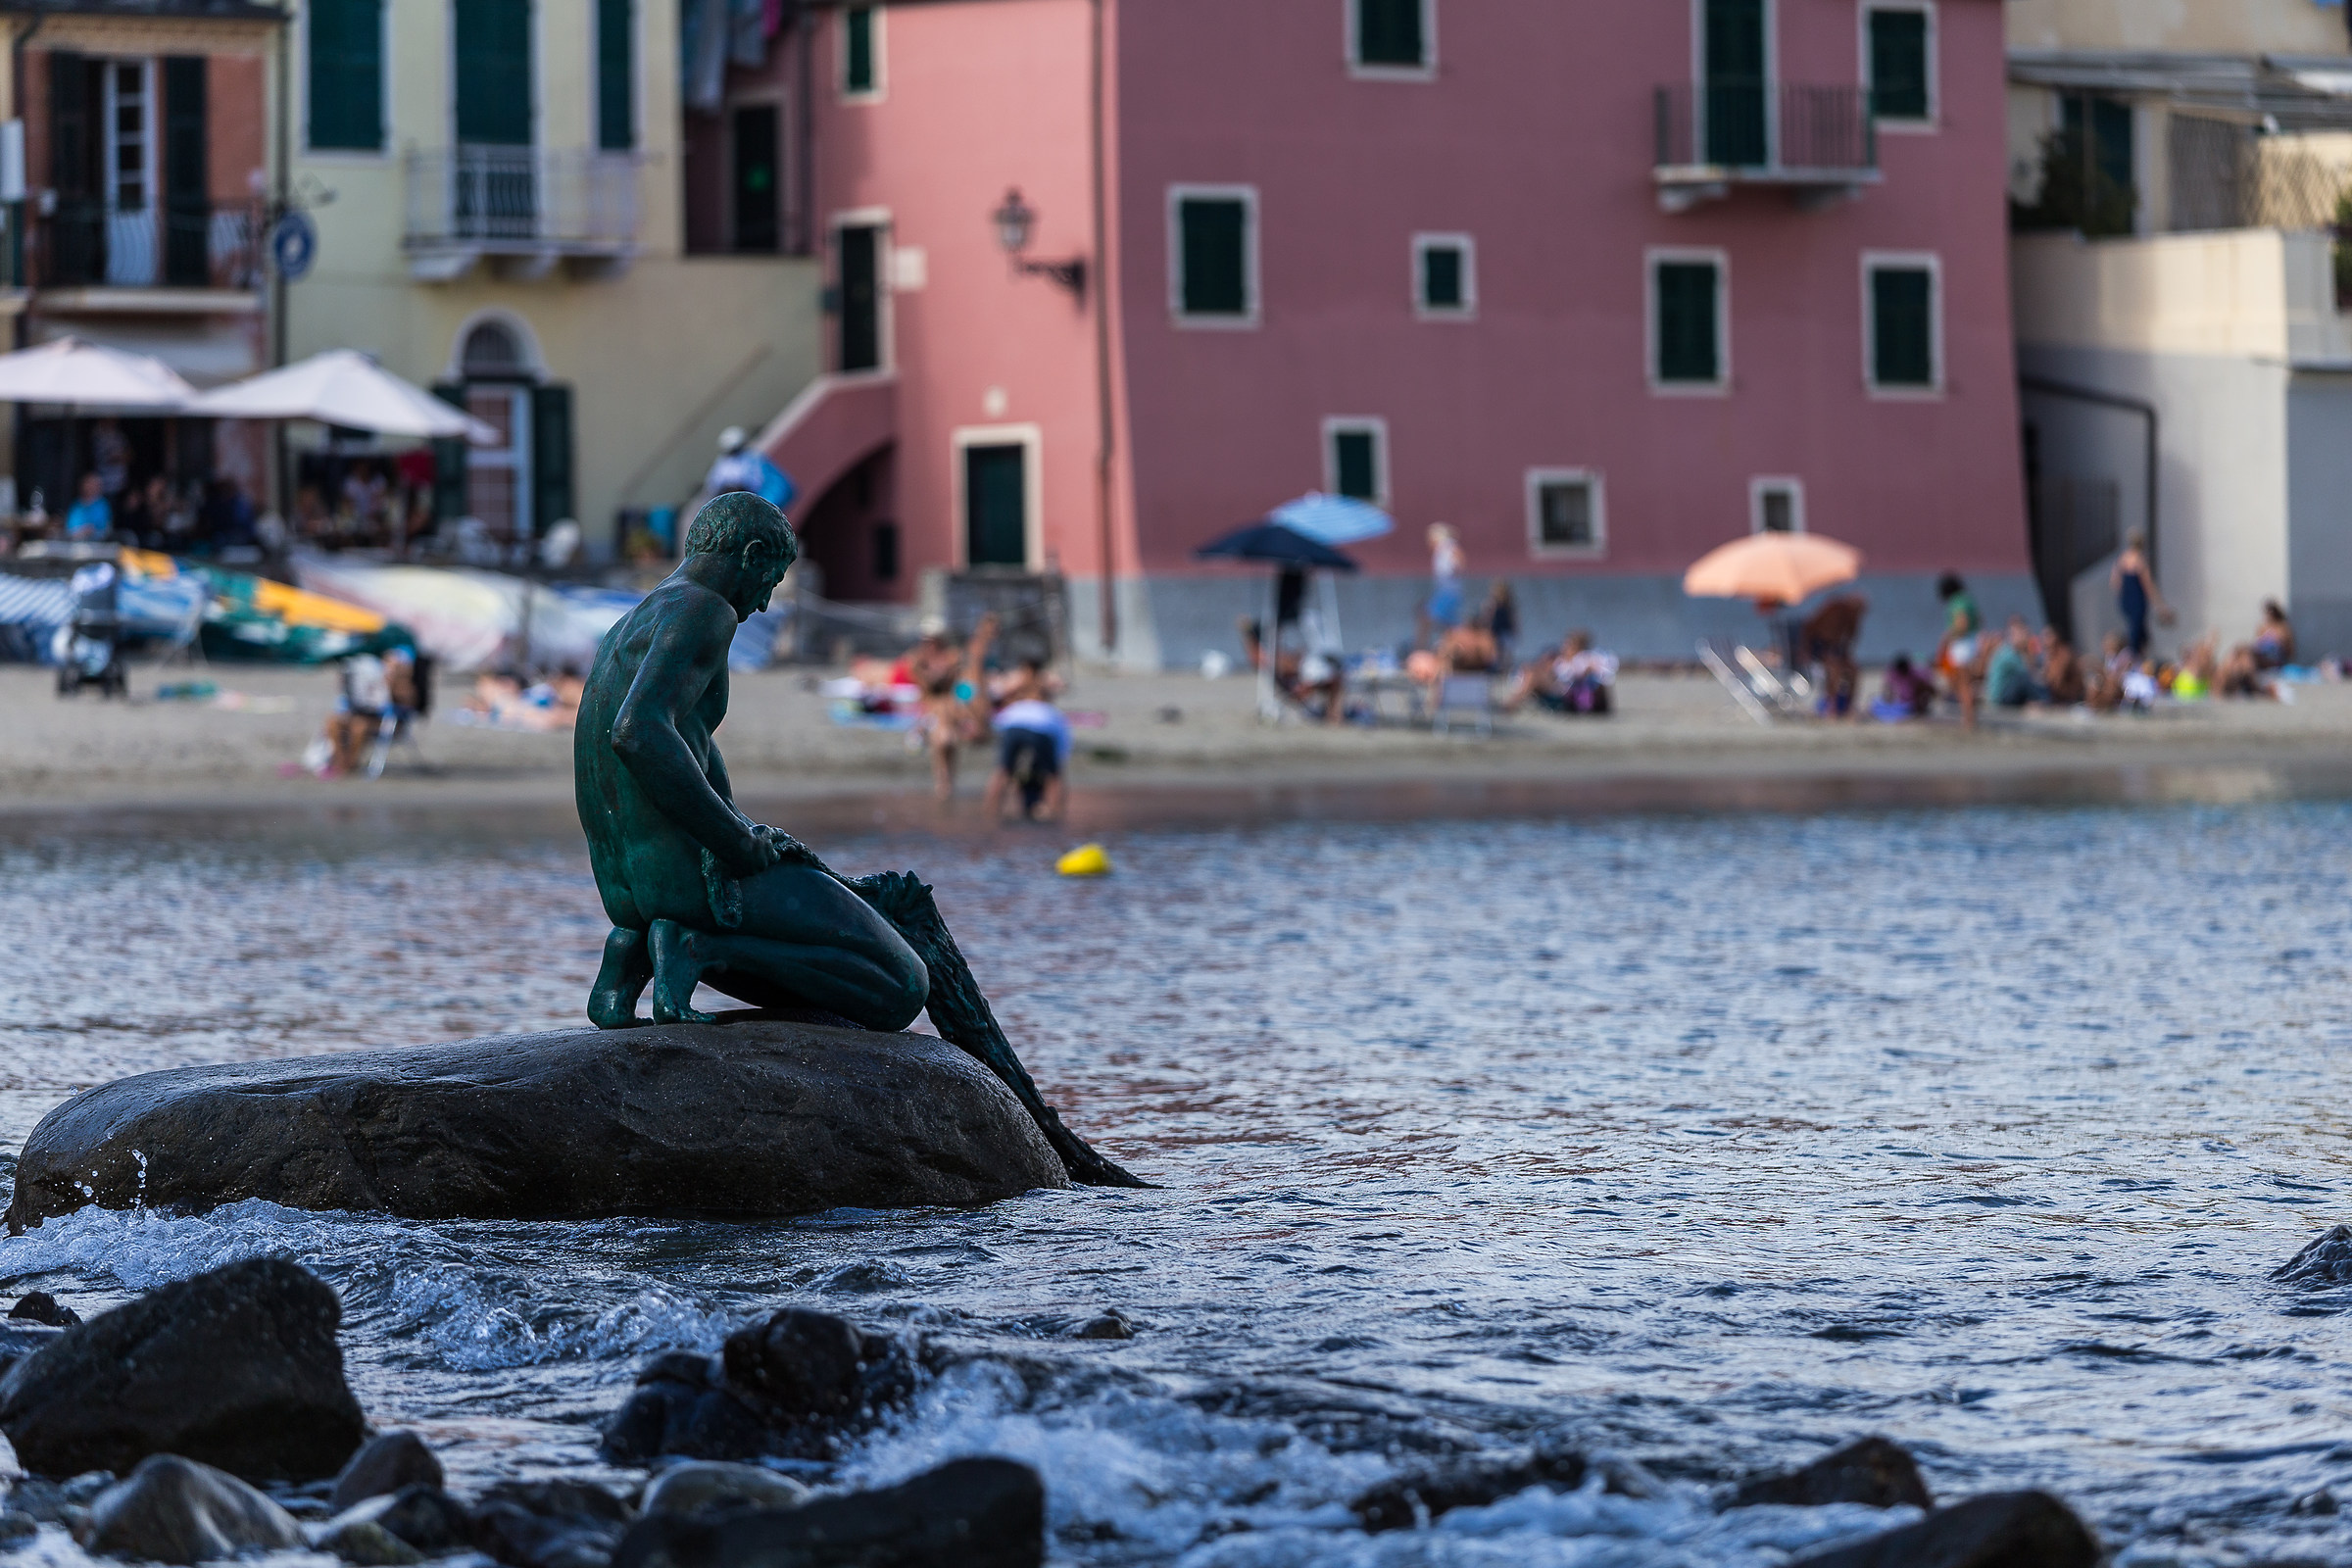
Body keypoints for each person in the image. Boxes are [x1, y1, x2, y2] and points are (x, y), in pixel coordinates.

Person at [574, 491, 927, 1030]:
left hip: (626, 896)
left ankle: (623, 978)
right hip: (689, 882)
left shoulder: (633, 621)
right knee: (903, 985)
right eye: (770, 581)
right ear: (753, 553)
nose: (763, 604)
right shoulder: (705, 609)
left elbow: (669, 741)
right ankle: (697, 950)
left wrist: (743, 823)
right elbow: (638, 732)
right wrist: (735, 842)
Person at [984, 666, 1072, 822]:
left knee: (1002, 771)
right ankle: (1056, 814)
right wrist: (1056, 767)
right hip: (1041, 727)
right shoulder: (1051, 711)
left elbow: (998, 727)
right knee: (1054, 775)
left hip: (1012, 727)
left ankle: (990, 812)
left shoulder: (1015, 706)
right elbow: (1061, 749)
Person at [1504, 631, 1616, 715]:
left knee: (1533, 676)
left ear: (1578, 648)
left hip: (1566, 696)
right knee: (1530, 672)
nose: (1564, 648)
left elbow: (1597, 673)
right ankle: (1513, 702)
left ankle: (1512, 703)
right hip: (1560, 692)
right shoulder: (1561, 660)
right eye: (1565, 644)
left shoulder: (1583, 660)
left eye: (1569, 645)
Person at [1799, 594, 1868, 717]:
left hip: (1834, 649)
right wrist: (1806, 652)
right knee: (1834, 670)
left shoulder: (1852, 618)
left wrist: (1844, 655)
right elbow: (1810, 629)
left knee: (1854, 670)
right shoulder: (1835, 609)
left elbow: (1849, 640)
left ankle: (1848, 706)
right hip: (1819, 647)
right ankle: (1832, 706)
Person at [703, 426, 796, 510]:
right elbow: (714, 487)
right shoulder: (721, 466)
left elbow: (761, 482)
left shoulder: (753, 458)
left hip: (754, 498)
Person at [2112, 530, 2170, 660]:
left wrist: (2124, 596)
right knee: (2136, 634)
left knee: (2140, 632)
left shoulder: (2122, 559)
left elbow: (2115, 582)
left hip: (2126, 601)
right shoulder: (2140, 561)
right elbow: (2148, 585)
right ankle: (2133, 660)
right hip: (2137, 601)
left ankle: (2142, 658)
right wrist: (2160, 605)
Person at [1935, 572, 1982, 727]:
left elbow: (1962, 625)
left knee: (1962, 683)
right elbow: (1980, 620)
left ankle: (1968, 719)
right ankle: (1969, 717)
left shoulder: (1957, 602)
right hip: (1972, 641)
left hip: (1962, 644)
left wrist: (1948, 636)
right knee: (1965, 682)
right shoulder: (1968, 600)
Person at [1423, 523, 1463, 643]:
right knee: (1449, 624)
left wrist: (1456, 569)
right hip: (1447, 591)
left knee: (1426, 617)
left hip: (1449, 592)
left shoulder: (1446, 545)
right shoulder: (1442, 549)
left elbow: (1459, 560)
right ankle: (1452, 645)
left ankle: (1421, 648)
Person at [1480, 582, 1518, 669]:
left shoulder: (1508, 605)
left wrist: (1515, 631)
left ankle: (1504, 670)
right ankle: (1500, 669)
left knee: (1505, 656)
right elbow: (1487, 617)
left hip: (1505, 632)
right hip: (1496, 631)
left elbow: (1513, 619)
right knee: (1497, 655)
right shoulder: (1493, 603)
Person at [63, 472, 111, 540]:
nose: (89, 487)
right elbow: (70, 527)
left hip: (97, 543)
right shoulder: (76, 504)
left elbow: (104, 528)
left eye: (93, 484)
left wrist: (90, 530)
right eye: (87, 483)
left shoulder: (103, 505)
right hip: (75, 541)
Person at [2252, 600, 2295, 670]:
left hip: (2279, 659)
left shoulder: (2283, 627)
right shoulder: (2263, 627)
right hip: (2264, 659)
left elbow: (2289, 647)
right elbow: (2257, 643)